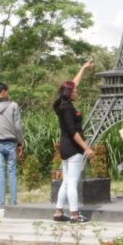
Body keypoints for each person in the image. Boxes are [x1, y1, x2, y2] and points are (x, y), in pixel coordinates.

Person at [53, 60, 95, 224]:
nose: (77, 91)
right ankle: (75, 215)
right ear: (69, 93)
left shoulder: (61, 104)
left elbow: (72, 83)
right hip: (73, 147)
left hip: (64, 147)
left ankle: (58, 211)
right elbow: (73, 132)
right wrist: (87, 148)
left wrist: (82, 68)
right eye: (75, 90)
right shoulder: (69, 109)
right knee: (72, 183)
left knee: (66, 181)